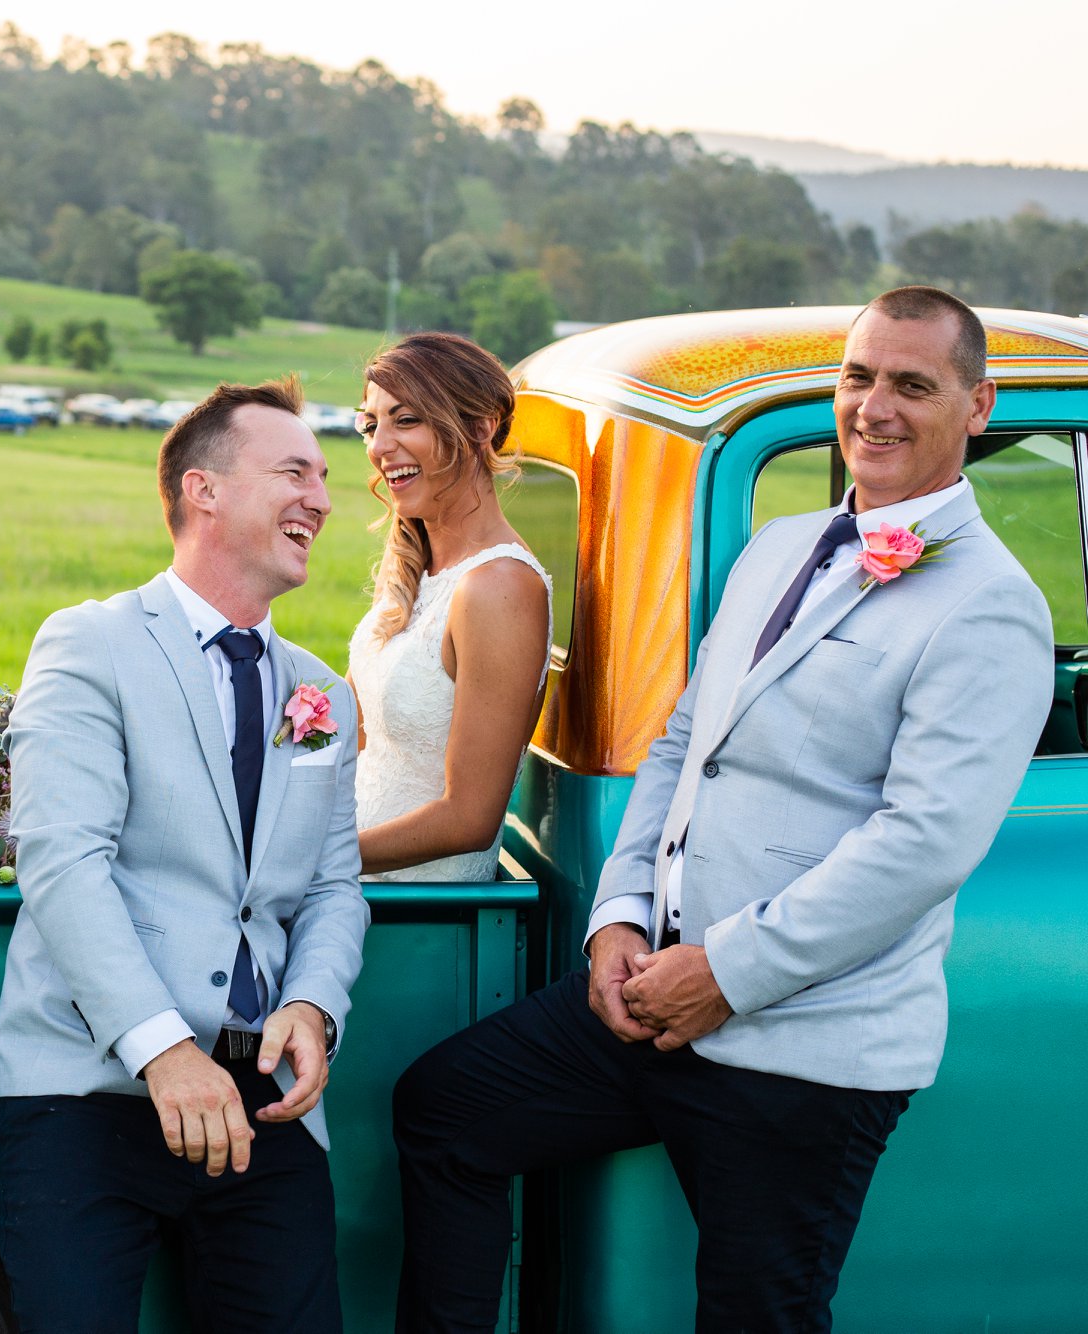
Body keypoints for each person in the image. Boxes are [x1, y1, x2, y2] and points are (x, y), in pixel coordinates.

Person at [390, 287, 1054, 1333]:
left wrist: (723, 972)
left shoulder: (990, 600)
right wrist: (616, 918)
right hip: (651, 996)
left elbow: (922, 843)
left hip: (804, 1045)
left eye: (910, 386)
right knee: (447, 1110)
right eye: (857, 377)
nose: (872, 408)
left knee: (757, 1314)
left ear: (976, 406)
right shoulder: (778, 544)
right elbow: (679, 744)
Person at [0, 377, 371, 1332]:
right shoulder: (90, 643)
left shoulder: (323, 693)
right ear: (204, 490)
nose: (323, 498)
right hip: (90, 1090)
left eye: (325, 476)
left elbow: (333, 887)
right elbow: (63, 862)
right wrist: (164, 1052)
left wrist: (314, 1005)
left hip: (262, 1092)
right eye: (294, 472)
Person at [347, 333, 551, 882]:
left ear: (481, 428)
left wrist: (314, 862)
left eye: (406, 420)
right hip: (353, 892)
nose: (378, 446)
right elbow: (360, 742)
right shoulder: (420, 572)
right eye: (371, 424)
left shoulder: (501, 588)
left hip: (423, 910)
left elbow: (469, 819)